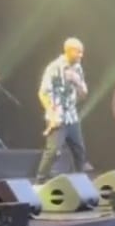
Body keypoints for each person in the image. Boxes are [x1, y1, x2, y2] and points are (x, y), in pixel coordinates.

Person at [35, 38, 92, 183]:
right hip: (57, 116)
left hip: (72, 116)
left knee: (79, 150)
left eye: (82, 52)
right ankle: (39, 181)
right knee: (53, 151)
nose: (81, 55)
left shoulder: (78, 68)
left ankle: (80, 181)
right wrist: (51, 114)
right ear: (69, 51)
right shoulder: (54, 68)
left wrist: (77, 81)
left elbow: (84, 94)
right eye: (78, 52)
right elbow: (42, 93)